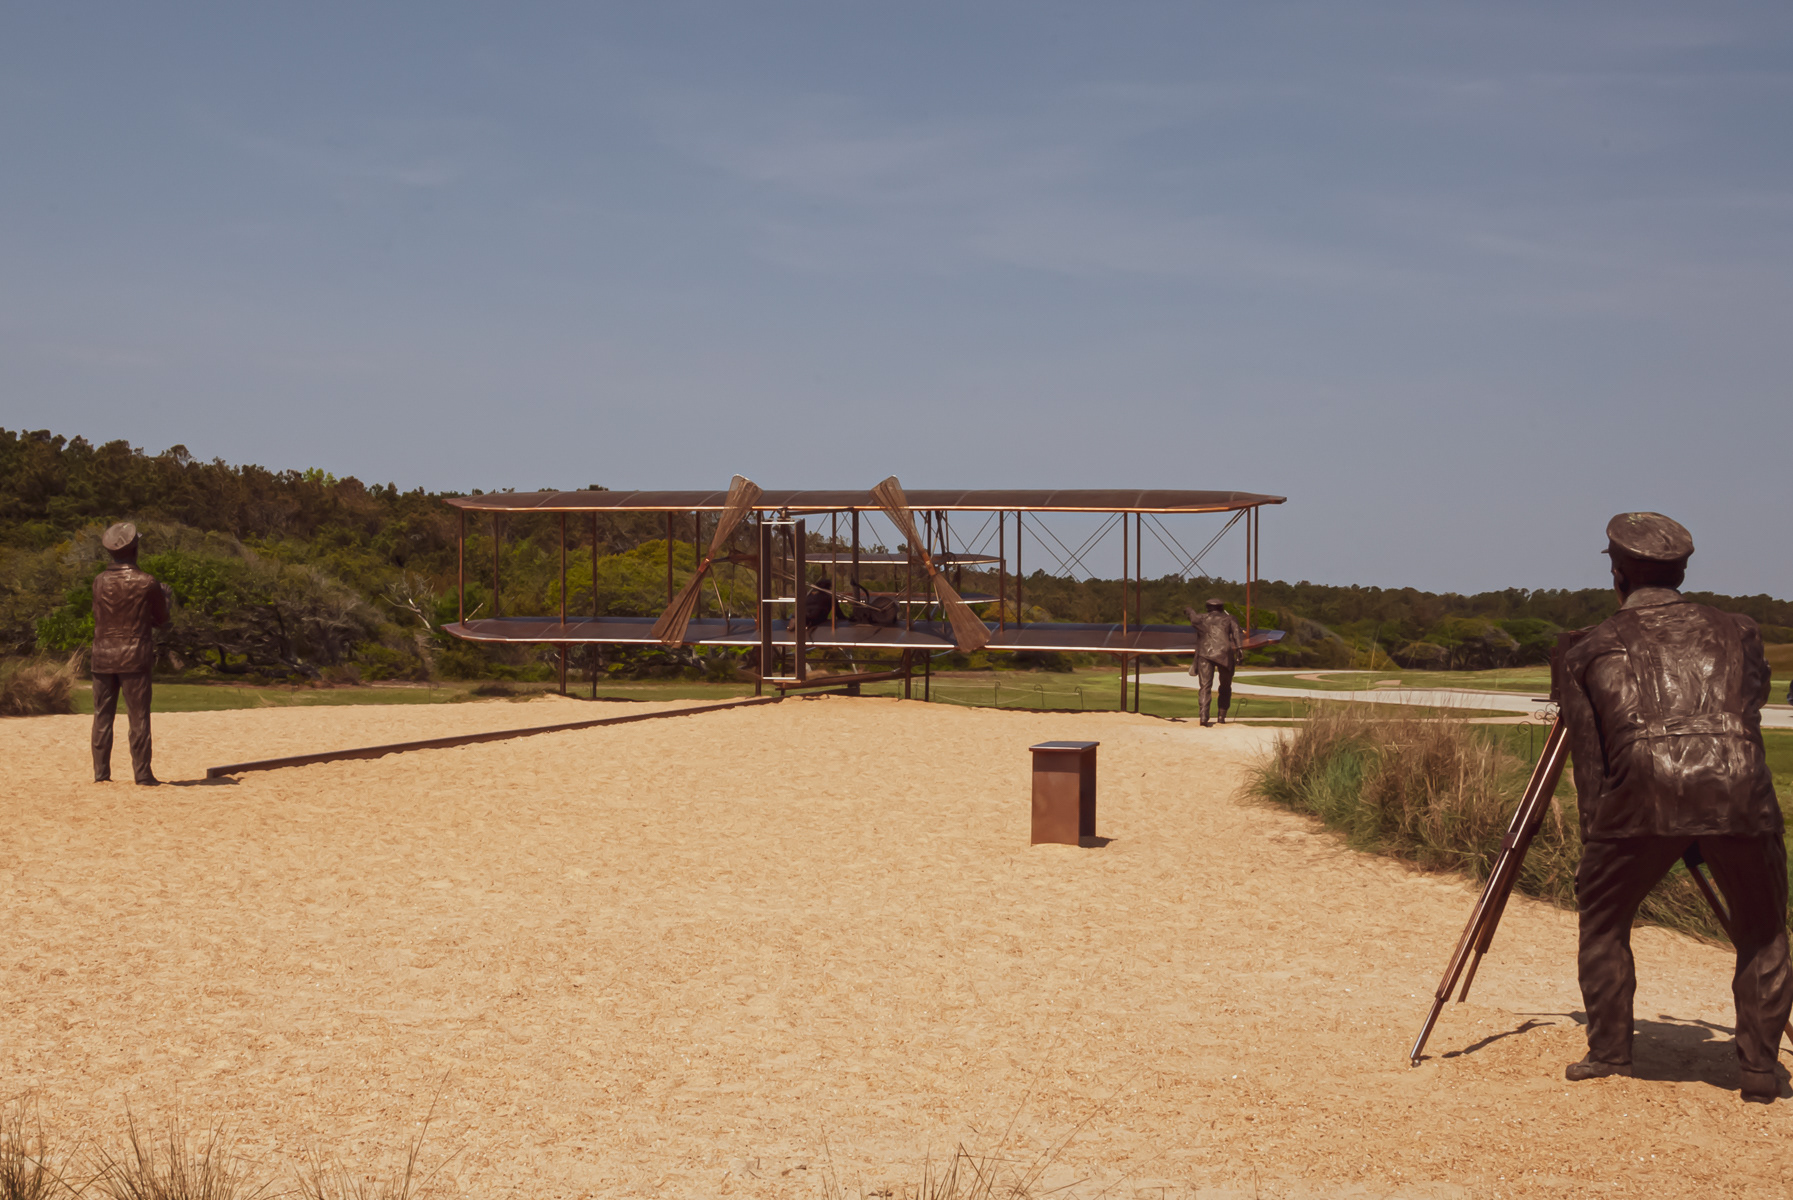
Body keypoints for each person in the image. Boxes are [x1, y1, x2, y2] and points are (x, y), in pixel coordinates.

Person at [1558, 512, 1787, 1101]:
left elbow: (1590, 761)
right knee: (1763, 930)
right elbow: (1752, 704)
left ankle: (1610, 1050)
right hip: (1739, 785)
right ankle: (1760, 1069)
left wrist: (1598, 844)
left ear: (1616, 571)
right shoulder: (1739, 629)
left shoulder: (1589, 648)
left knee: (1604, 920)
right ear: (1683, 569)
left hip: (1639, 792)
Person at [90, 522, 171, 785]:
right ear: (135, 549)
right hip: (134, 656)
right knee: (138, 716)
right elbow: (161, 619)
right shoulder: (147, 582)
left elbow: (98, 616)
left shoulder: (99, 582)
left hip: (102, 655)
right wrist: (166, 599)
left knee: (102, 716)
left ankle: (101, 774)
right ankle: (143, 773)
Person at [1185, 598, 1244, 727]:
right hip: (1224, 653)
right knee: (1225, 686)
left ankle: (1203, 716)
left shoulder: (1201, 618)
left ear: (1207, 607)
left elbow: (1192, 617)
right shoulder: (1230, 618)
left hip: (1205, 652)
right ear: (1221, 607)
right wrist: (1239, 649)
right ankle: (1221, 717)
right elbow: (1236, 634)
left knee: (1205, 687)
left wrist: (1189, 610)